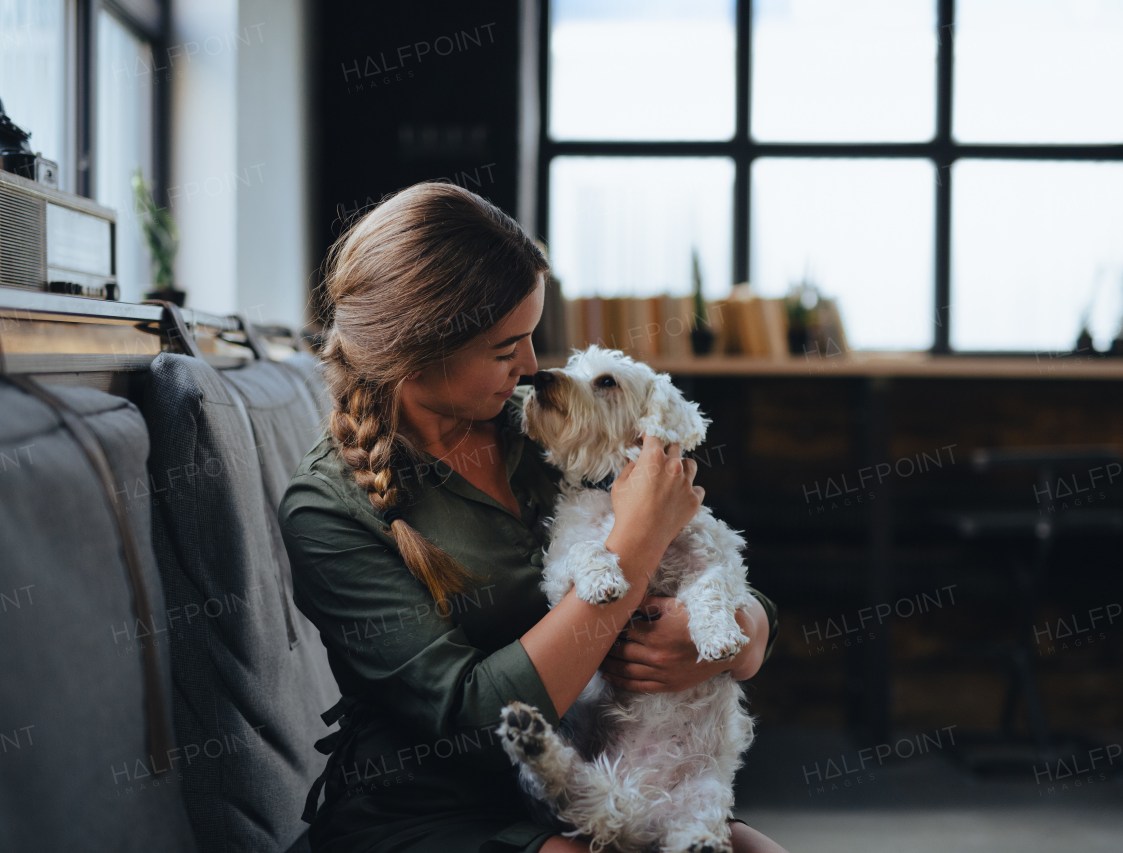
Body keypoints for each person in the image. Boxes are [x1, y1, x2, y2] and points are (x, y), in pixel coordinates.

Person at [278, 182, 788, 853]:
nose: (529, 365)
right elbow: (476, 720)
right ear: (415, 350)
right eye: (503, 348)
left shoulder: (541, 427)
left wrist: (744, 634)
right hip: (437, 805)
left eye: (529, 337)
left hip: (610, 769)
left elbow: (703, 551)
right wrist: (634, 546)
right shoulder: (327, 508)